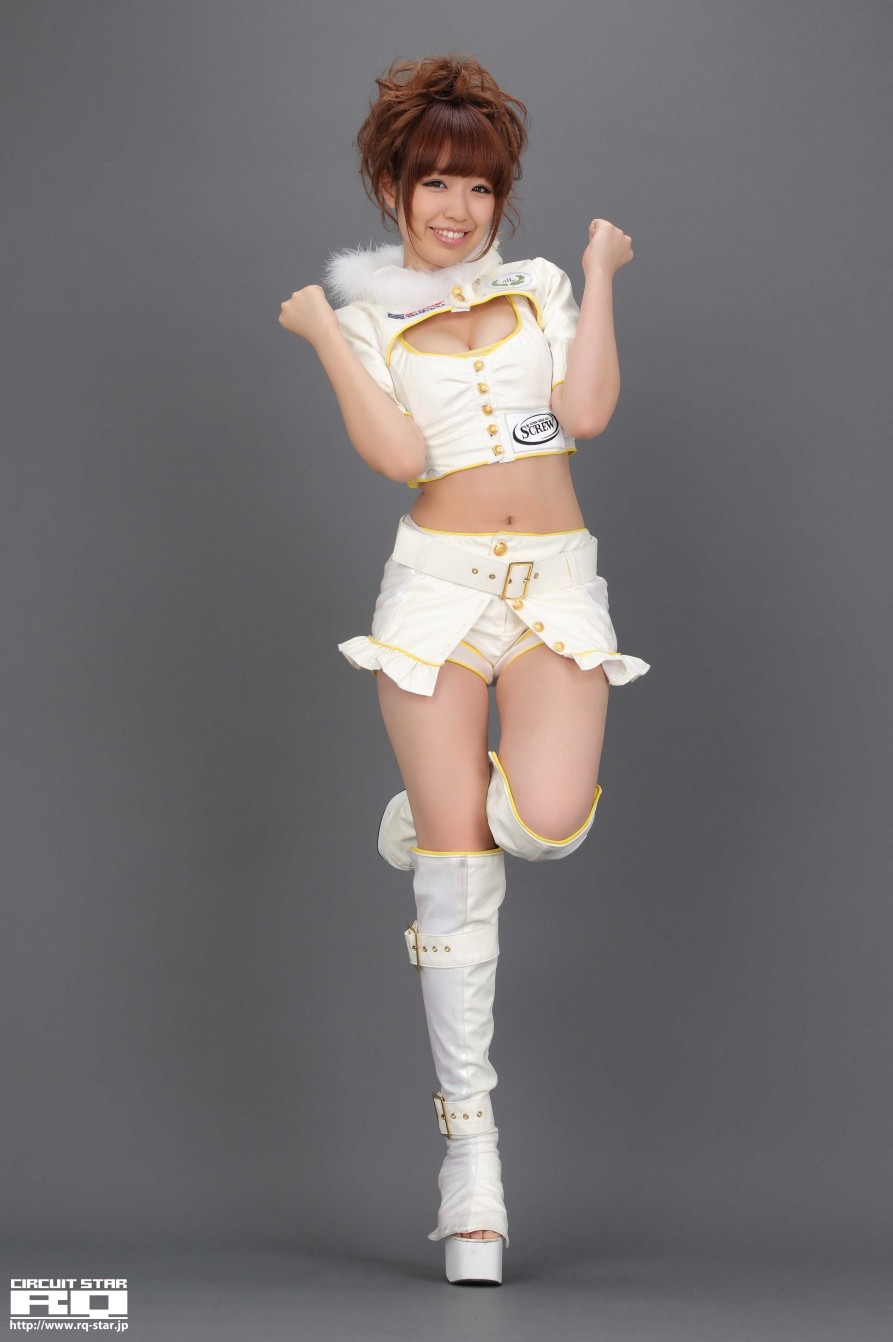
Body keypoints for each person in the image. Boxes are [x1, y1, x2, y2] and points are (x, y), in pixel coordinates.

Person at [278, 51, 650, 1286]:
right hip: (434, 594)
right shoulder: (368, 315)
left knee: (540, 822)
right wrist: (325, 336)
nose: (455, 206)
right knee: (456, 882)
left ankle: (433, 802)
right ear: (391, 187)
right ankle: (472, 1172)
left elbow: (584, 416)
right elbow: (397, 457)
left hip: (552, 586)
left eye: (478, 186)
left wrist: (600, 274)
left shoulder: (542, 288)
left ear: (502, 199)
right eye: (432, 181)